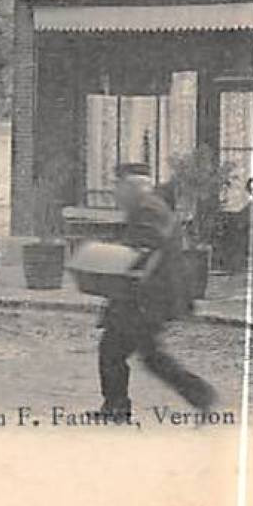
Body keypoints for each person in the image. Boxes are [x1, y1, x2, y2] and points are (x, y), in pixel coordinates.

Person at [97, 162, 216, 420]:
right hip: (146, 296)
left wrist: (110, 264)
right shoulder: (147, 209)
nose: (115, 193)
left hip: (149, 298)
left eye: (118, 186)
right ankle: (116, 407)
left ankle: (118, 408)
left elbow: (143, 251)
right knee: (131, 352)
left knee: (119, 351)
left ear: (133, 188)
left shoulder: (149, 210)